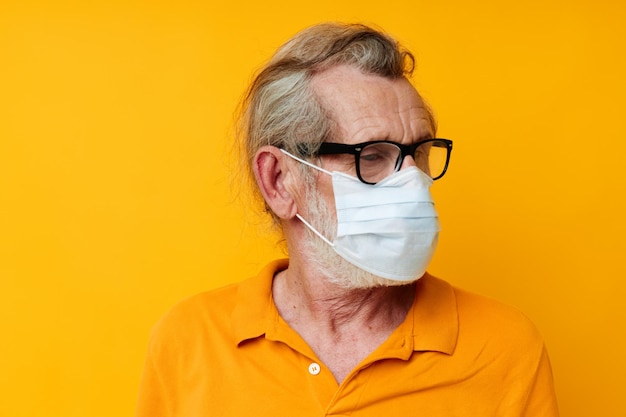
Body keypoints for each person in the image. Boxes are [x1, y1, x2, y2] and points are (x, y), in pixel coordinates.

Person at [136, 22, 559, 416]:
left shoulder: (505, 347)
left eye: (419, 154)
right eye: (372, 156)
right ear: (279, 180)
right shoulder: (188, 341)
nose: (413, 183)